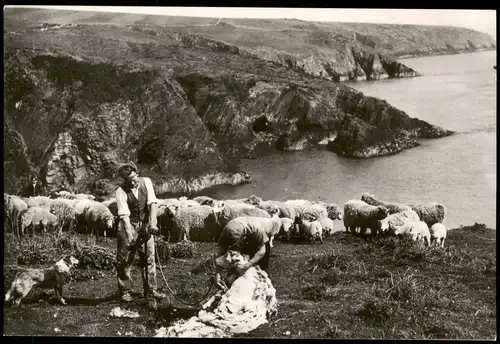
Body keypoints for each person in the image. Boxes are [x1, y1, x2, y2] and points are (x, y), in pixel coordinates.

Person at [114, 162, 166, 304]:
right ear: (124, 180)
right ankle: (125, 291)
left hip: (145, 223)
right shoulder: (120, 191)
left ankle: (151, 290)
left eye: (134, 178)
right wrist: (130, 237)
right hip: (127, 225)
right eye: (129, 180)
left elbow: (152, 204)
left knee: (149, 257)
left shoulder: (147, 182)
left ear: (137, 173)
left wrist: (152, 224)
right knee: (125, 260)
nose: (133, 182)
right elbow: (124, 216)